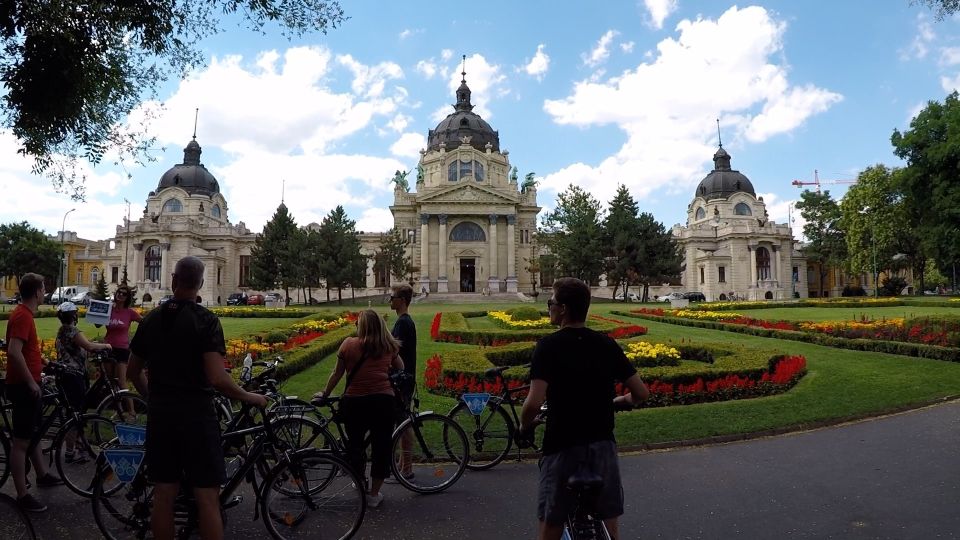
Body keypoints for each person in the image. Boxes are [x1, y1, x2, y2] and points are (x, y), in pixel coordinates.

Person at [127, 256, 266, 540]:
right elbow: (216, 377)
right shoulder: (206, 320)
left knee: (164, 495)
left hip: (162, 416)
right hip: (196, 417)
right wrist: (248, 396)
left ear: (174, 280)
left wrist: (152, 397)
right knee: (207, 498)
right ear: (201, 284)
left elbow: (133, 370)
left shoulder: (151, 319)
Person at [520, 277, 649, 540]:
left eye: (551, 302)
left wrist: (525, 426)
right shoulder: (606, 344)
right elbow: (641, 393)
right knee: (609, 525)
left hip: (562, 446)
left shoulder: (548, 346)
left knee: (551, 523)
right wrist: (618, 402)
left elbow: (533, 402)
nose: (549, 308)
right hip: (603, 446)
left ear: (564, 308)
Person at [313, 309, 403, 509]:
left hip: (355, 402)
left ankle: (360, 482)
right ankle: (374, 494)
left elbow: (336, 374)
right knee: (382, 447)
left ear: (360, 326)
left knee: (355, 445)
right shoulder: (388, 346)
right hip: (382, 401)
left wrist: (325, 393)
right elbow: (401, 367)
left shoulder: (349, 344)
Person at [4, 273, 62, 512]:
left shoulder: (25, 315)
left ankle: (42, 473)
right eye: (43, 288)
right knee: (21, 442)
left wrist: (43, 363)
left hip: (30, 383)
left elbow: (25, 351)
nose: (44, 292)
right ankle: (22, 494)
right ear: (37, 292)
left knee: (34, 433)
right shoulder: (22, 316)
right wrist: (30, 382)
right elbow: (14, 352)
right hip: (22, 386)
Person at [55, 301, 112, 463]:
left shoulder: (61, 331)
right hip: (73, 376)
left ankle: (77, 447)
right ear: (73, 315)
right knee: (76, 415)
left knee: (74, 413)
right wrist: (106, 345)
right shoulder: (72, 331)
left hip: (66, 375)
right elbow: (88, 346)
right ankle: (71, 452)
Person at [389, 284, 416, 480]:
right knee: (401, 422)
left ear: (402, 301)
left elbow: (393, 350)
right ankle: (401, 463)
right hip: (406, 377)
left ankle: (407, 467)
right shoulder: (405, 321)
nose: (390, 300)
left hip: (401, 379)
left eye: (393, 297)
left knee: (404, 424)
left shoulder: (403, 323)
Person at [102, 285, 142, 417]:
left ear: (127, 298)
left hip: (122, 349)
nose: (120, 295)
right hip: (108, 347)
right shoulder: (109, 309)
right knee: (110, 380)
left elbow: (144, 322)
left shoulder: (129, 312)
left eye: (124, 294)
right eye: (119, 292)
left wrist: (138, 338)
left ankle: (131, 410)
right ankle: (119, 410)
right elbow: (98, 323)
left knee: (122, 380)